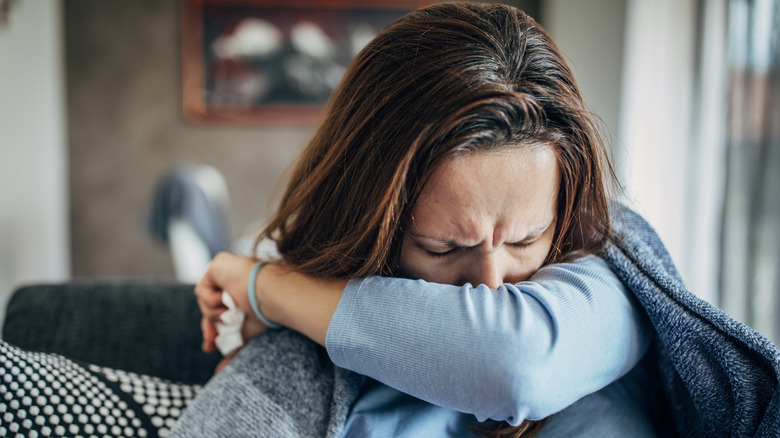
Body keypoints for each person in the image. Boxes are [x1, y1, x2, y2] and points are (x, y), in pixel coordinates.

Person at [179, 3, 657, 437]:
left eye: (526, 240)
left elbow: (512, 363)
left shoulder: (612, 278)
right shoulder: (297, 362)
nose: (492, 287)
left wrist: (267, 289)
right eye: (442, 248)